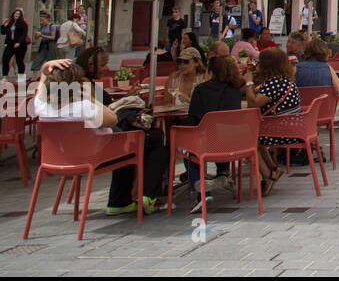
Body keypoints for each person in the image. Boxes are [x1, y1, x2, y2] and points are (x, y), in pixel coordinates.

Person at [33, 58, 166, 216]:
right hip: (96, 157)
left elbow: (42, 85)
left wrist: (46, 66)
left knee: (129, 136)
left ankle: (120, 201)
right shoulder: (83, 107)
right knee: (153, 140)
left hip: (62, 158)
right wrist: (91, 98)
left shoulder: (42, 107)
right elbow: (112, 118)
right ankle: (145, 197)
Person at [181, 53, 246, 211]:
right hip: (235, 143)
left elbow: (193, 119)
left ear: (210, 72)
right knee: (219, 132)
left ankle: (201, 191)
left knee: (188, 146)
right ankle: (223, 172)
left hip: (208, 144)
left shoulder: (201, 90)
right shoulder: (235, 90)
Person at [245, 47, 302, 195]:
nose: (256, 65)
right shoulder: (284, 81)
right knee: (256, 138)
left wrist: (248, 83)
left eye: (259, 62)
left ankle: (268, 175)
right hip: (291, 126)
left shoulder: (274, 83)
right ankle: (274, 169)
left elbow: (254, 103)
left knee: (248, 142)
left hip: (281, 129)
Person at [2, 8, 30, 76]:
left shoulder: (23, 23)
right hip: (10, 44)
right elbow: (3, 32)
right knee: (5, 59)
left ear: (21, 15)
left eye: (18, 14)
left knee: (19, 61)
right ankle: (5, 76)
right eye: (16, 13)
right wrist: (3, 25)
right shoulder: (10, 22)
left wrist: (19, 42)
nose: (17, 15)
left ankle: (21, 77)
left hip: (21, 45)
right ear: (13, 14)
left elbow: (24, 34)